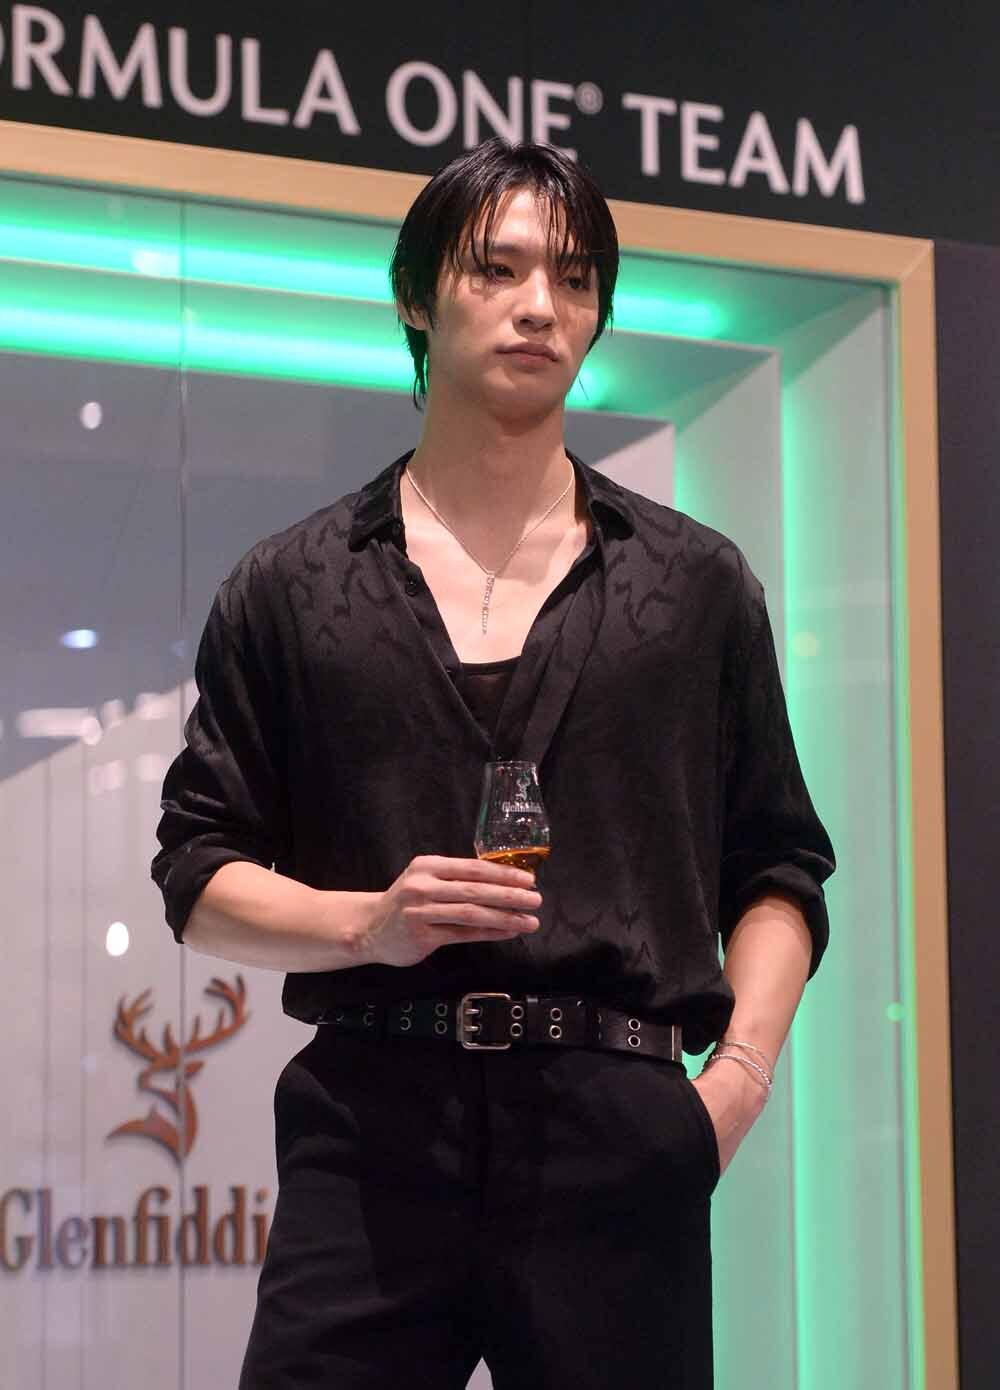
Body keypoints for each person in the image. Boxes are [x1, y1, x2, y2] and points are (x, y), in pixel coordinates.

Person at [152, 136, 836, 1390]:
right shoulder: (292, 588)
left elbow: (779, 868)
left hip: (619, 1125)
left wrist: (733, 1084)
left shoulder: (694, 588)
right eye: (498, 268)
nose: (539, 306)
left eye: (573, 278)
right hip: (370, 1126)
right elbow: (197, 874)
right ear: (418, 296)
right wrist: (368, 923)